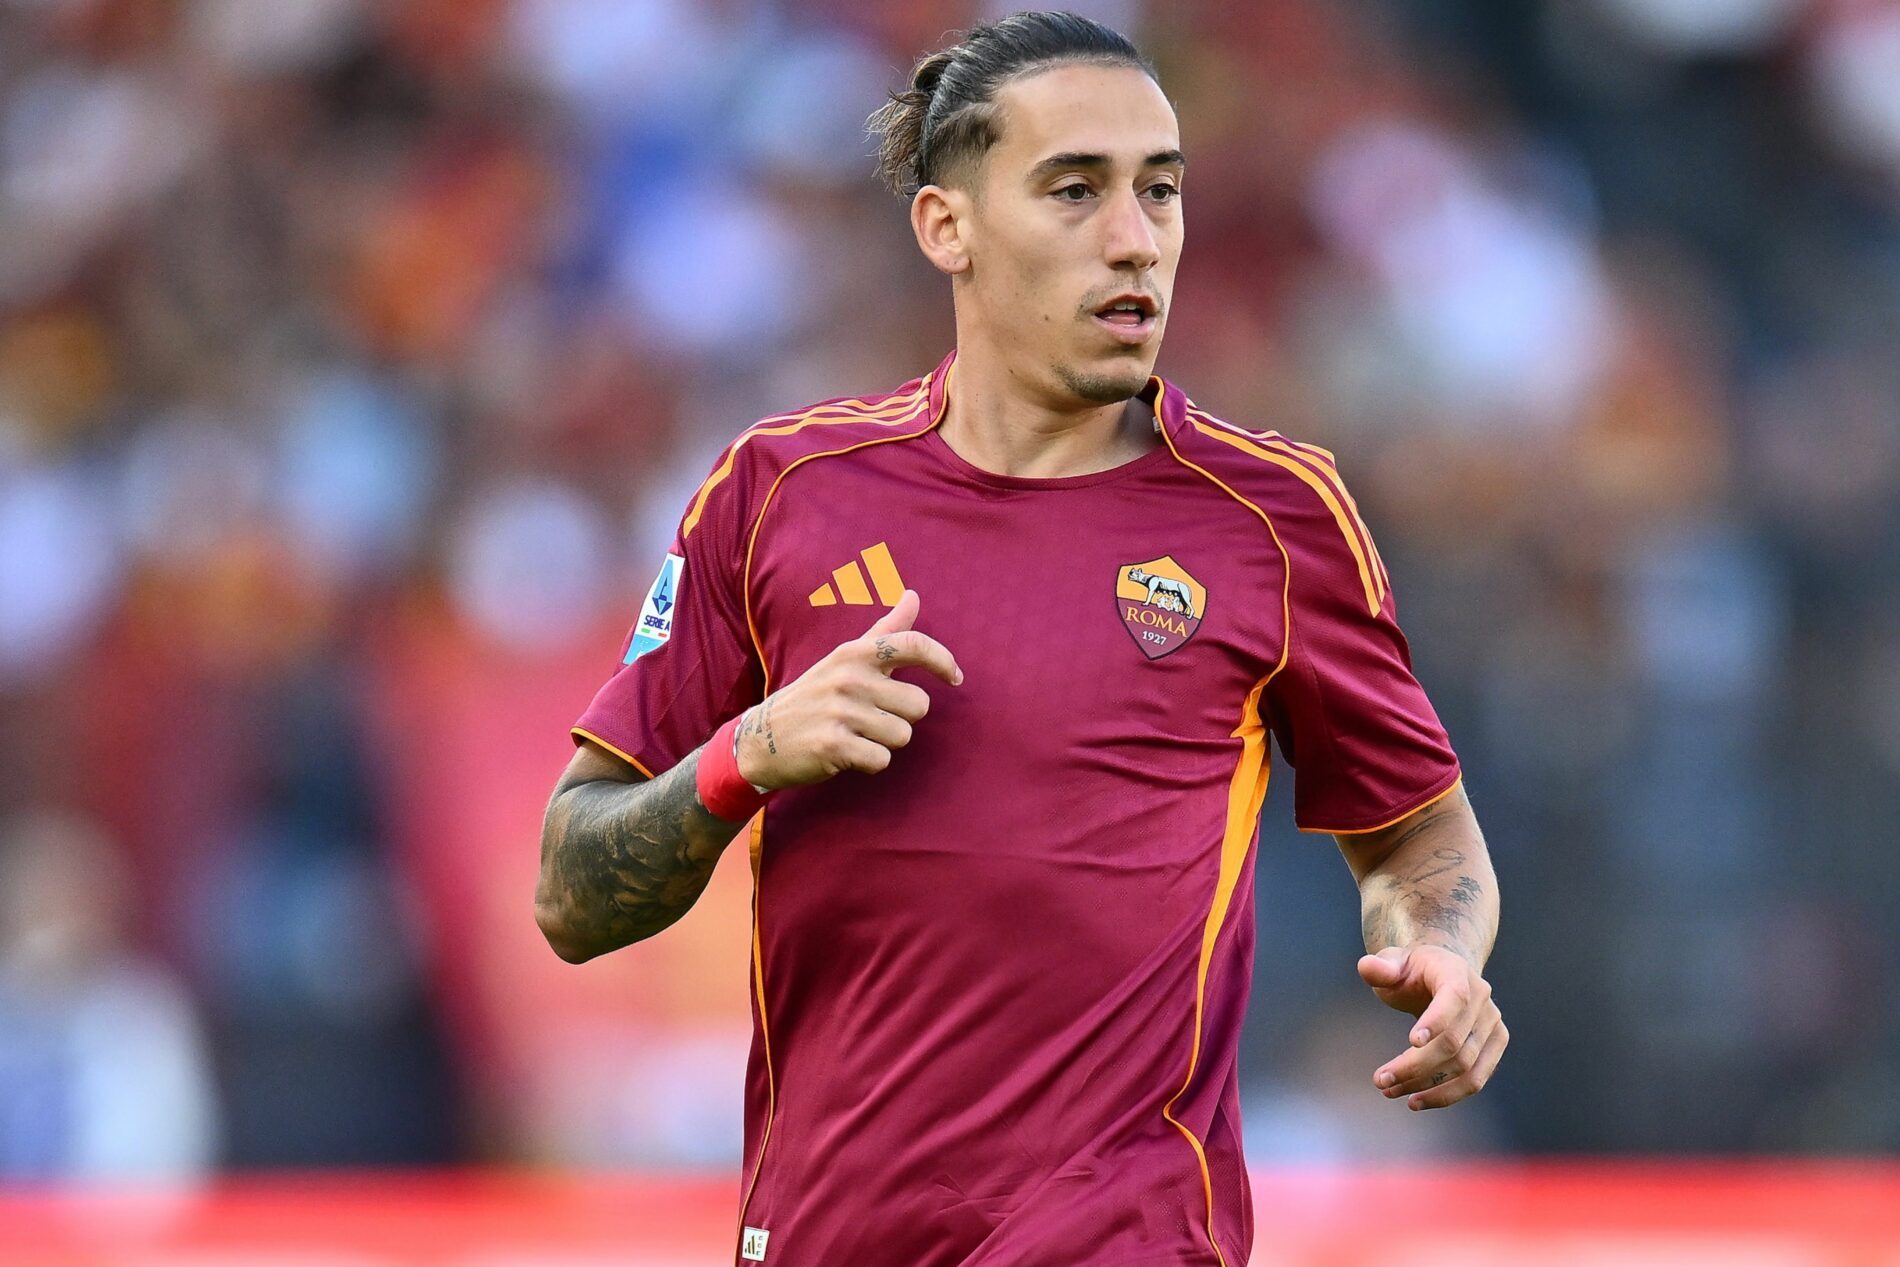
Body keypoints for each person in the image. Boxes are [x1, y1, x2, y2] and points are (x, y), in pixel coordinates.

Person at [536, 12, 1505, 1265]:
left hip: (1128, 1236)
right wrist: (747, 754)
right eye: (1074, 189)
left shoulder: (1273, 517)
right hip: (835, 1236)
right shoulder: (779, 492)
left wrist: (1440, 953)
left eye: (1161, 190)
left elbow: (1419, 838)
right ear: (947, 227)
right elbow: (570, 894)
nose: (1135, 238)